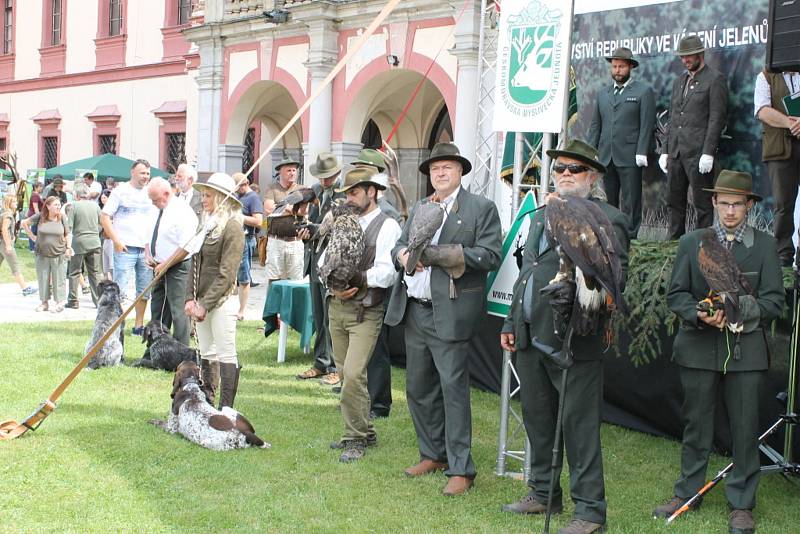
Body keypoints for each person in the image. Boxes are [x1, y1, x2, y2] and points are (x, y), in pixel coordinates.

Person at [500, 139, 629, 534]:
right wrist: (510, 322)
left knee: (579, 426)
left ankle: (589, 512)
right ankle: (542, 492)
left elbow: (615, 284)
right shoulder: (542, 214)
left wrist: (582, 298)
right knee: (538, 420)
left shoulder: (609, 218)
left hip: (577, 338)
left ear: (593, 176)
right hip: (530, 332)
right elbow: (528, 271)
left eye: (575, 169)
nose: (566, 175)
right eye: (560, 169)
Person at [653, 170, 784, 534]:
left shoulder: (764, 246)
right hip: (698, 348)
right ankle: (688, 492)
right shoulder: (692, 242)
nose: (729, 211)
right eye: (723, 203)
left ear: (749, 205)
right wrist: (698, 313)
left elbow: (774, 300)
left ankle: (741, 502)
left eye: (737, 204)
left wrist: (737, 310)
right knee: (696, 424)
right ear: (713, 203)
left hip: (746, 352)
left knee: (744, 428)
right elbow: (676, 295)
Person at [384, 142, 502, 496]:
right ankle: (432, 453)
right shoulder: (420, 206)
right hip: (415, 309)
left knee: (453, 392)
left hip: (449, 313)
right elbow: (398, 246)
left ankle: (461, 468)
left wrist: (437, 255)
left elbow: (491, 255)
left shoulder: (481, 208)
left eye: (447, 167)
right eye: (435, 169)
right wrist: (404, 253)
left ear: (461, 171)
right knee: (418, 388)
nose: (440, 173)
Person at [322, 167, 402, 462]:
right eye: (348, 193)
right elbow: (323, 261)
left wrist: (355, 278)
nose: (350, 199)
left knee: (354, 375)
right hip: (337, 307)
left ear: (372, 191)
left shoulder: (387, 226)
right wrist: (332, 282)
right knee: (345, 375)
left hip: (366, 311)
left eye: (355, 192)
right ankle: (365, 430)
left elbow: (388, 273)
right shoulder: (342, 222)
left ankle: (354, 438)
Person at [659, 35, 728, 239]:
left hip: (698, 154)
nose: (685, 60)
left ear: (700, 54)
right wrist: (665, 150)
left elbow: (717, 119)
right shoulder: (679, 81)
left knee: (702, 204)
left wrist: (708, 152)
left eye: (688, 56)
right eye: (682, 57)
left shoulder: (715, 79)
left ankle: (702, 246)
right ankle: (674, 245)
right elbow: (672, 117)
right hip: (676, 153)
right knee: (674, 201)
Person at [185, 172, 245, 409]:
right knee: (207, 352)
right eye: (202, 195)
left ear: (221, 198)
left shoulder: (233, 229)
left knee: (226, 352)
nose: (203, 200)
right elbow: (194, 263)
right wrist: (191, 298)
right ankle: (208, 402)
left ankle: (226, 409)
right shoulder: (207, 226)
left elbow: (227, 274)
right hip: (201, 301)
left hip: (222, 302)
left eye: (208, 195)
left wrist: (204, 303)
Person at [587, 46, 655, 238]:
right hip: (606, 156)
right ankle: (610, 234)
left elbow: (647, 125)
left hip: (631, 156)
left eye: (621, 67)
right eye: (614, 66)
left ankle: (631, 236)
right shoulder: (603, 94)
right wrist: (590, 154)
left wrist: (642, 151)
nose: (617, 70)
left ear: (630, 67)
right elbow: (595, 126)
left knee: (632, 200)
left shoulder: (643, 91)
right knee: (609, 199)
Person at [295, 152, 345, 384]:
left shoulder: (344, 195)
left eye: (328, 177)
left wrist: (318, 230)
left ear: (337, 173)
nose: (324, 181)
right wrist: (306, 233)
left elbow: (345, 231)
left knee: (332, 317)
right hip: (315, 261)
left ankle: (336, 366)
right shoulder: (315, 193)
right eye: (322, 177)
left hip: (333, 264)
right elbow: (312, 228)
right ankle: (321, 362)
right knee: (318, 316)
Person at [101, 159, 158, 335]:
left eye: (148, 173)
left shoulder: (150, 193)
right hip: (125, 247)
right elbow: (105, 217)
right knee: (121, 290)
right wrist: (116, 241)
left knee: (144, 290)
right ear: (132, 172)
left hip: (145, 249)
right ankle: (117, 324)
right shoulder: (121, 191)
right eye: (142, 173)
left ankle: (138, 326)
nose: (145, 177)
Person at [754, 67, 800, 266]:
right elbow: (762, 110)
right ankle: (784, 254)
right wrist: (791, 123)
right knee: (783, 204)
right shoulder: (765, 76)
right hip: (780, 149)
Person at [146, 177, 199, 346]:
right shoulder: (155, 209)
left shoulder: (183, 212)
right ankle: (155, 350)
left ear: (167, 193)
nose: (153, 203)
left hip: (177, 267)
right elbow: (148, 233)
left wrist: (166, 264)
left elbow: (186, 246)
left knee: (178, 311)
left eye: (155, 199)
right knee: (158, 309)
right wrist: (148, 253)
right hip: (158, 266)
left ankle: (182, 352)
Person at [22, 195, 72, 312]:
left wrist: (68, 247)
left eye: (59, 204)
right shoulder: (40, 216)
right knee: (43, 278)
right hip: (42, 253)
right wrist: (33, 237)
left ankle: (59, 303)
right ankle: (44, 303)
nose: (58, 207)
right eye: (55, 205)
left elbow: (67, 234)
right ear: (48, 206)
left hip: (59, 253)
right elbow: (25, 223)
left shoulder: (62, 217)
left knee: (59, 279)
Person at [263, 158, 303, 283]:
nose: (292, 173)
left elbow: (303, 211)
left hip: (295, 242)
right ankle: (274, 303)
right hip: (276, 241)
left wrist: (280, 207)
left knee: (295, 280)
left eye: (294, 170)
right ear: (280, 172)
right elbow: (269, 209)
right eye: (288, 170)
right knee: (274, 279)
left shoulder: (302, 189)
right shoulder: (272, 188)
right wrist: (291, 208)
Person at [65, 183, 103, 309]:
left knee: (74, 272)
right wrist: (95, 233)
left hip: (78, 243)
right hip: (95, 242)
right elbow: (101, 224)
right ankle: (98, 301)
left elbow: (68, 228)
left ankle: (73, 300)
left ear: (75, 195)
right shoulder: (96, 206)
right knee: (95, 273)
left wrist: (68, 245)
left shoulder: (73, 206)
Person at [234, 173, 264, 321]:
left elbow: (259, 221)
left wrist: (240, 217)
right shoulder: (238, 197)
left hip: (246, 239)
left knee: (244, 277)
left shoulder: (253, 198)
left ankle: (242, 310)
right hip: (235, 238)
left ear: (243, 184)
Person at [1, 195, 37, 296]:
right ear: (8, 203)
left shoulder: (2, 212)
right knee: (15, 266)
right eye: (14, 202)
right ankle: (25, 288)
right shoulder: (8, 215)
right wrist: (8, 245)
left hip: (1, 243)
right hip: (5, 243)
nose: (16, 203)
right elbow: (4, 229)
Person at [98, 188, 114, 280]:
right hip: (105, 237)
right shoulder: (102, 209)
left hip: (111, 238)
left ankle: (111, 279)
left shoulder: (112, 210)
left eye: (105, 197)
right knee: (105, 261)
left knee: (110, 261)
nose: (102, 199)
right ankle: (107, 279)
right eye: (102, 197)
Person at [27, 182, 44, 251]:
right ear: (36, 187)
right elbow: (35, 208)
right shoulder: (35, 196)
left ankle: (34, 247)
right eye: (40, 187)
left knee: (35, 231)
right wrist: (38, 216)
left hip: (35, 215)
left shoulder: (37, 195)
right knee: (33, 231)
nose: (41, 188)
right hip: (34, 216)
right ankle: (32, 247)